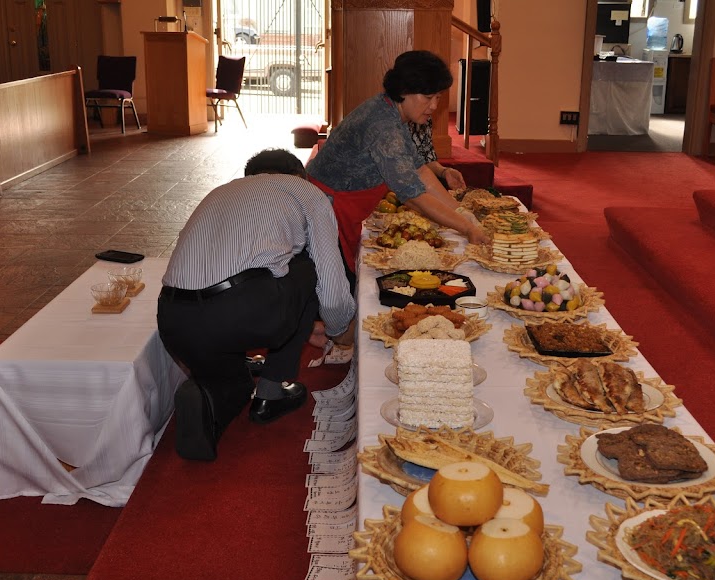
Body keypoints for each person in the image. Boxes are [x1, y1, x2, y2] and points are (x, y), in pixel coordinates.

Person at [157, 149, 357, 461]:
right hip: (243, 313)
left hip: (174, 320)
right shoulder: (307, 193)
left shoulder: (220, 191)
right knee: (306, 264)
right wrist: (338, 329)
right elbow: (331, 287)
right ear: (299, 177)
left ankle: (214, 390)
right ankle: (270, 394)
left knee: (231, 378)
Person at [306, 49, 488, 275]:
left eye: (438, 97)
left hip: (339, 204)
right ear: (404, 91)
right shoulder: (384, 125)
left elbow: (419, 171)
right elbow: (413, 196)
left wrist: (461, 212)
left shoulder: (390, 110)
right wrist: (466, 227)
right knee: (334, 283)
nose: (434, 106)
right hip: (328, 208)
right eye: (427, 97)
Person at [409, 118, 467, 191]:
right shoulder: (392, 122)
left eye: (437, 105)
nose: (433, 107)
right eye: (426, 105)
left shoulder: (423, 118)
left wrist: (444, 171)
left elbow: (427, 159)